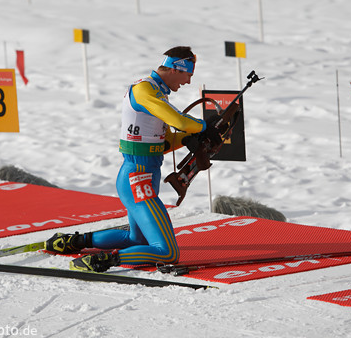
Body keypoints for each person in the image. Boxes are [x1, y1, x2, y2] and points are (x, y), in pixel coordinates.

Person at [45, 46, 220, 272]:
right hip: (138, 179)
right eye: (188, 75)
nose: (187, 82)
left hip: (142, 176)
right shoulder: (145, 90)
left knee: (136, 240)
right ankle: (105, 260)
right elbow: (180, 121)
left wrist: (188, 139)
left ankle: (75, 241)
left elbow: (162, 142)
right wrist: (203, 126)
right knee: (168, 252)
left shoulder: (156, 91)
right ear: (177, 68)